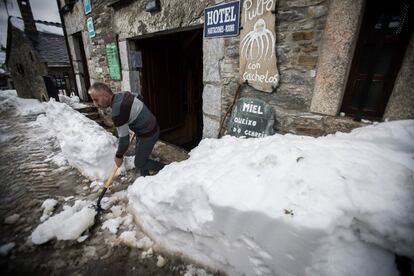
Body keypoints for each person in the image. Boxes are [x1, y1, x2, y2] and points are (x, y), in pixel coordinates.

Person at [88, 82, 164, 176]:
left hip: (149, 133)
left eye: (96, 100)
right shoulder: (123, 94)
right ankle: (145, 178)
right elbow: (139, 97)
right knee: (140, 156)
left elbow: (124, 140)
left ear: (106, 96)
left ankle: (166, 169)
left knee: (139, 163)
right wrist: (138, 116)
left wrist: (118, 156)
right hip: (145, 128)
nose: (95, 104)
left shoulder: (117, 113)